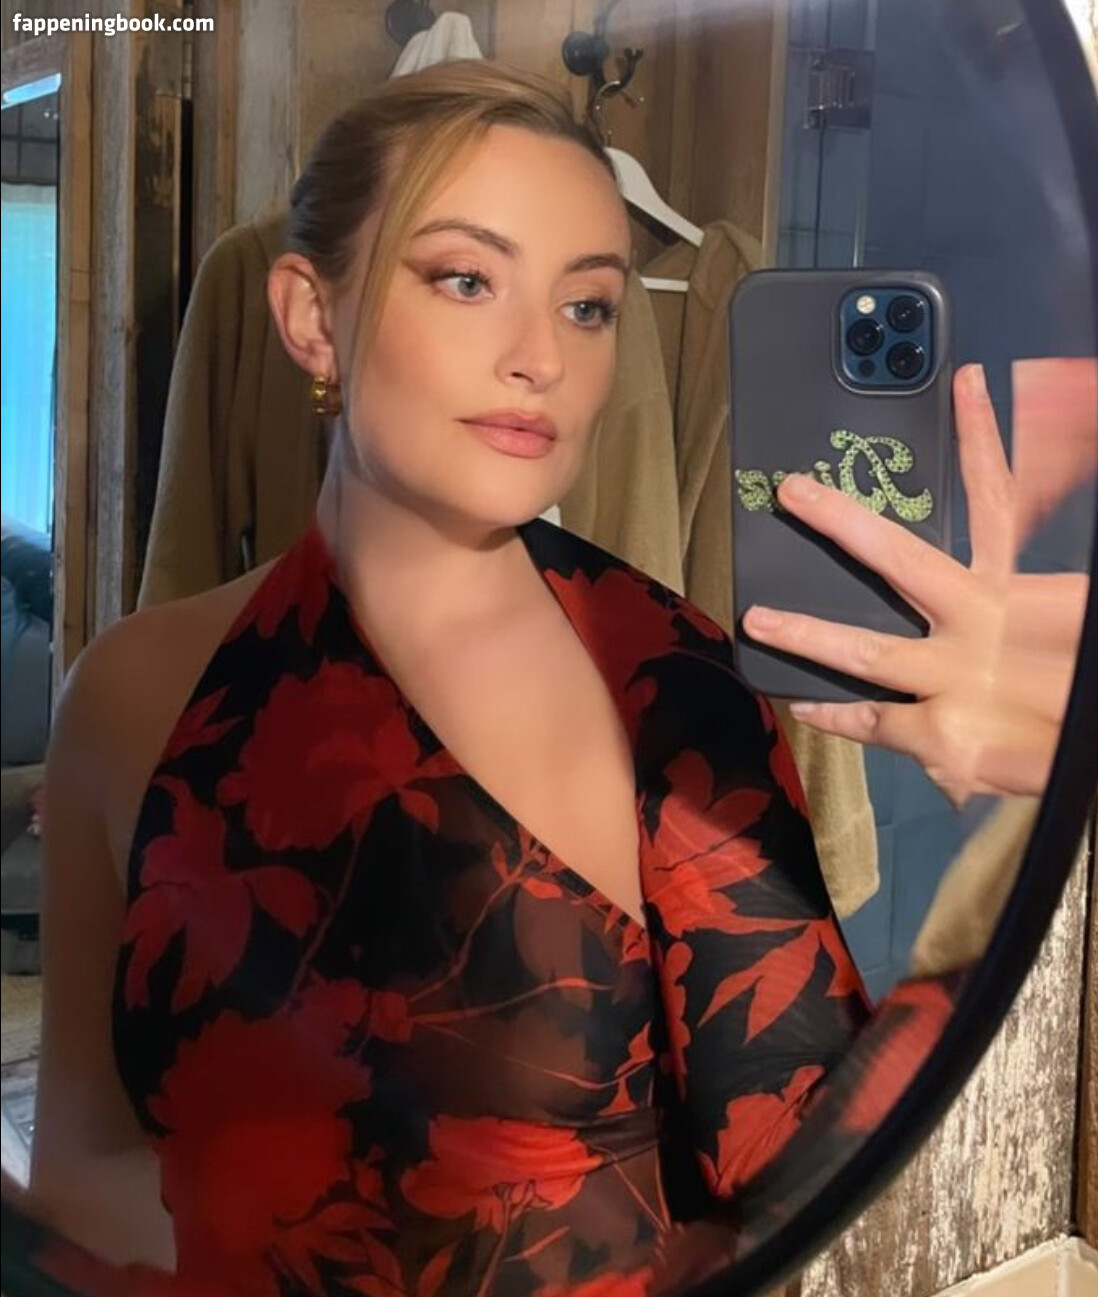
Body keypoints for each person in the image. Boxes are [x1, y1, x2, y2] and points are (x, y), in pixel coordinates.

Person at [27, 60, 1084, 1297]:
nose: (541, 357)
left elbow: (808, 1180)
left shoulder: (672, 689)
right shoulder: (128, 691)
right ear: (313, 316)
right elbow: (84, 1153)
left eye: (588, 306)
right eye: (466, 280)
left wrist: (1030, 807)